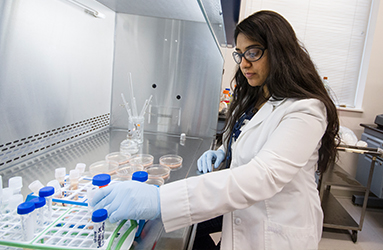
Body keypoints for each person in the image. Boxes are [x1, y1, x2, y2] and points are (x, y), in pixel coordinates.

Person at [91, 10, 340, 250]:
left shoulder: (306, 111)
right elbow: (249, 134)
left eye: (253, 52)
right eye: (240, 54)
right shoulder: (258, 95)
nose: (244, 63)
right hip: (242, 210)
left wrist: (160, 200)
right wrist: (224, 150)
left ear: (280, 52)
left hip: (274, 228)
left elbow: (263, 176)